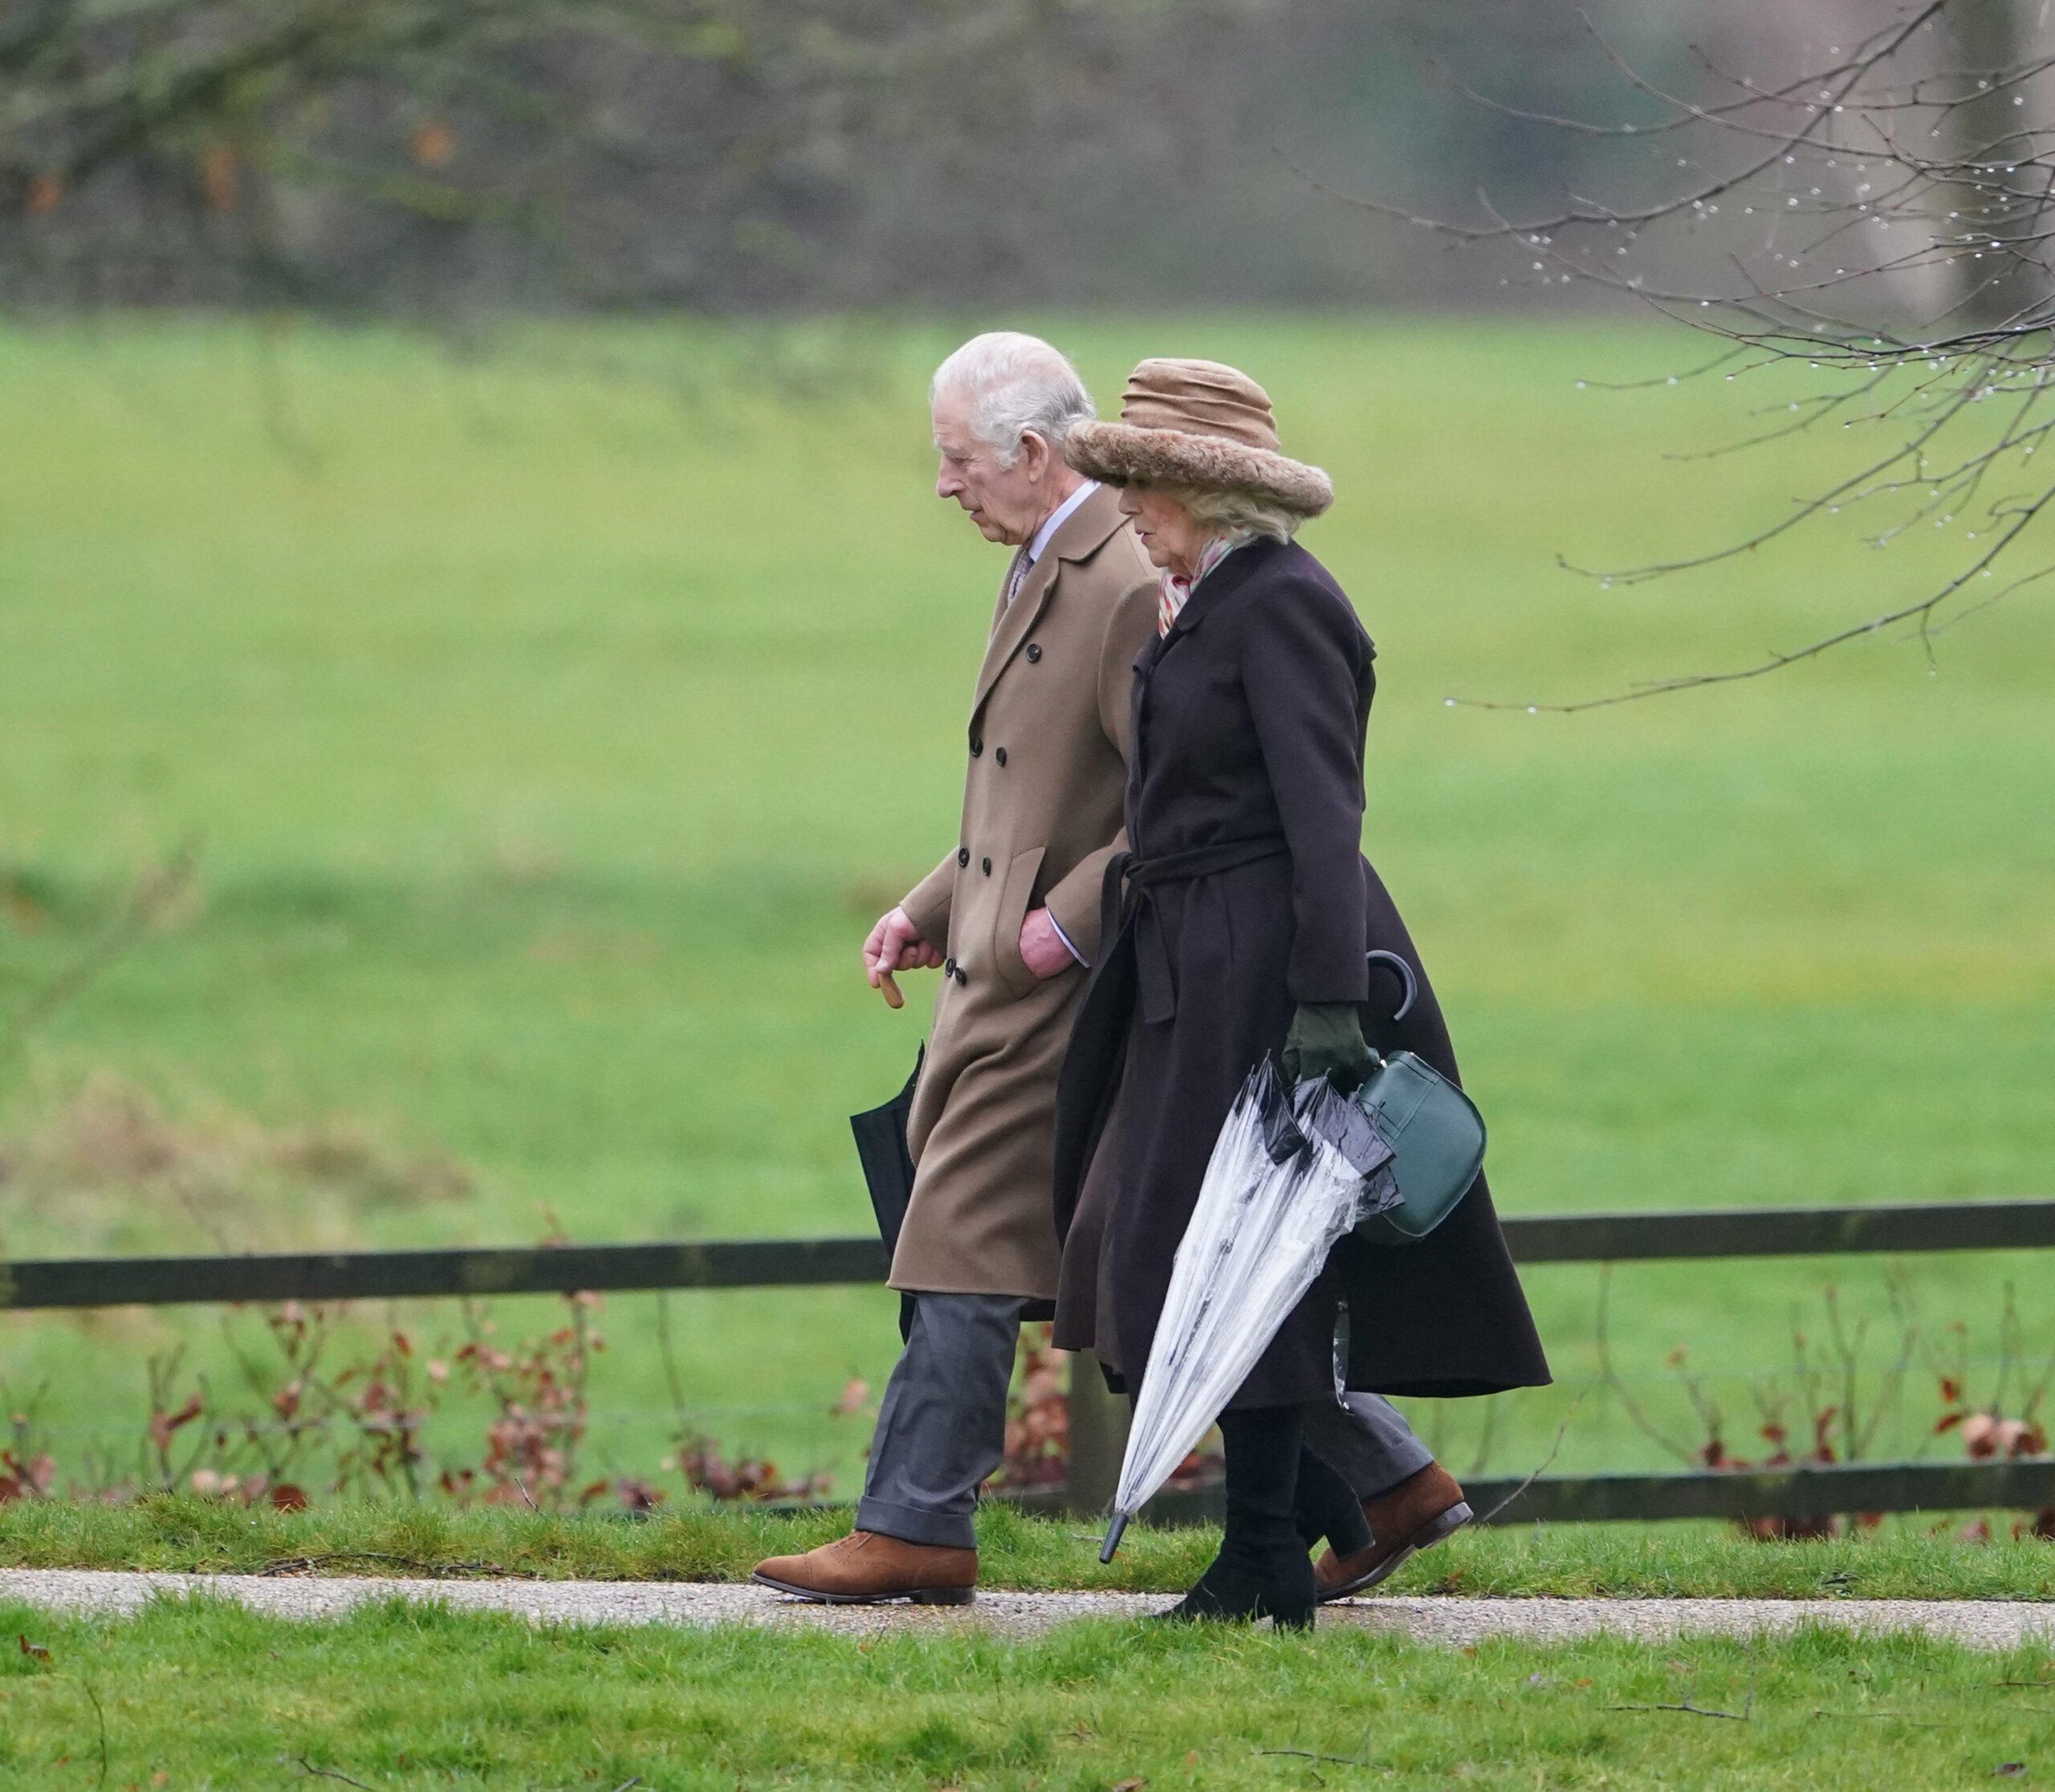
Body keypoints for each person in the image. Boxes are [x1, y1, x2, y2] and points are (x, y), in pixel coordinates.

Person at [1050, 358, 1551, 1627]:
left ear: (1203, 492)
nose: (1127, 510)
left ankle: (1266, 1557)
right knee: (1178, 1249)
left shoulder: (1284, 607)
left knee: (1248, 1258)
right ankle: (1299, 1536)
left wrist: (1326, 1001)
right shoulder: (1202, 601)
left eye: (1141, 487)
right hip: (1185, 957)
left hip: (1261, 970)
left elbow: (1328, 818)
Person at [751, 332, 1158, 1604]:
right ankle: (1383, 1475)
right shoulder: (1045, 556)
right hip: (993, 968)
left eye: (956, 461)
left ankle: (917, 1522)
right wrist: (932, 903)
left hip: (1056, 992)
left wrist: (1068, 922)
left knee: (962, 1238)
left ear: (1033, 453)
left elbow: (1181, 801)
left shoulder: (1126, 582)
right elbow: (1024, 786)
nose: (944, 487)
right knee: (1143, 1250)